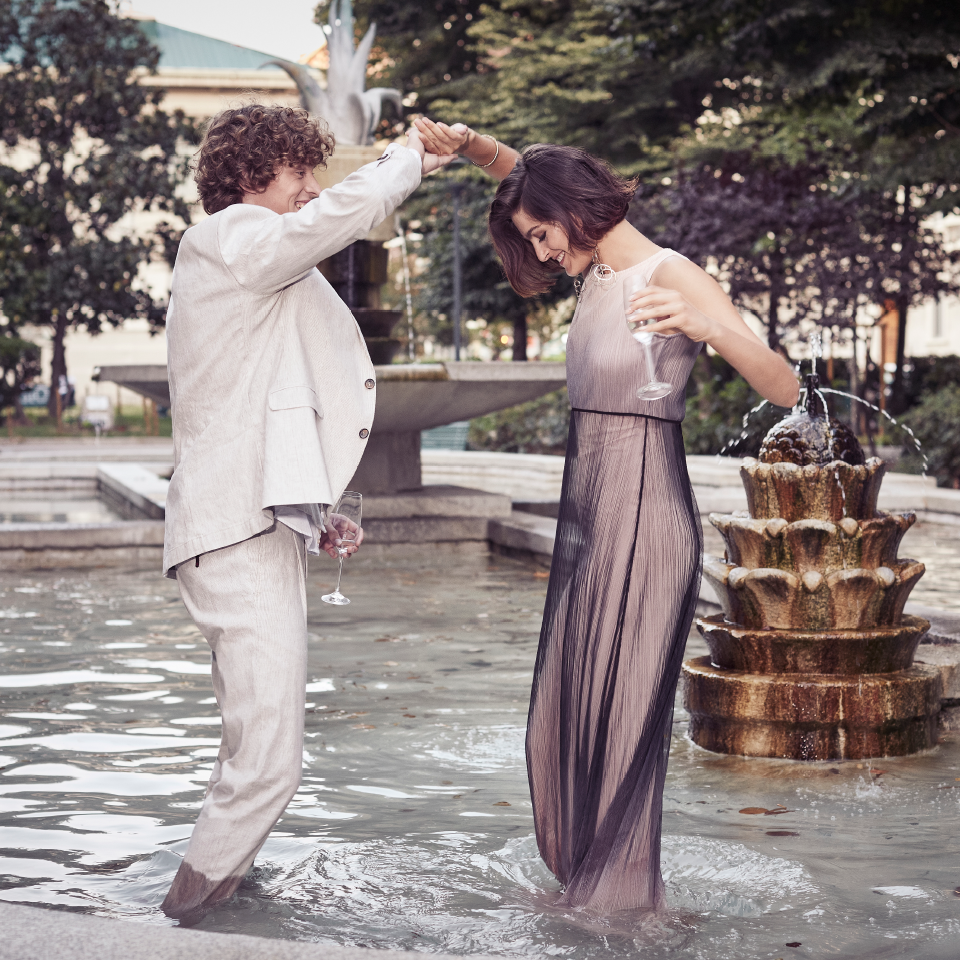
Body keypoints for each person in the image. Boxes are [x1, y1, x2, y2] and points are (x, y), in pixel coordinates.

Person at [415, 119, 799, 915]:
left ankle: (622, 904)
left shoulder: (672, 271)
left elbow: (785, 390)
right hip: (591, 534)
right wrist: (477, 149)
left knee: (622, 727)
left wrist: (709, 328)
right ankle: (589, 883)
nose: (544, 252)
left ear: (571, 212)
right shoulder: (593, 276)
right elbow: (541, 176)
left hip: (649, 525)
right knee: (558, 720)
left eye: (543, 235)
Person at [159, 103, 454, 925]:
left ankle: (208, 908)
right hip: (233, 533)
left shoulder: (247, 263)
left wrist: (312, 511)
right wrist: (402, 161)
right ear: (254, 175)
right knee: (269, 768)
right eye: (301, 173)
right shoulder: (230, 238)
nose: (312, 189)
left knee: (250, 754)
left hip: (249, 525)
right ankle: (175, 923)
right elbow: (333, 221)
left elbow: (260, 398)